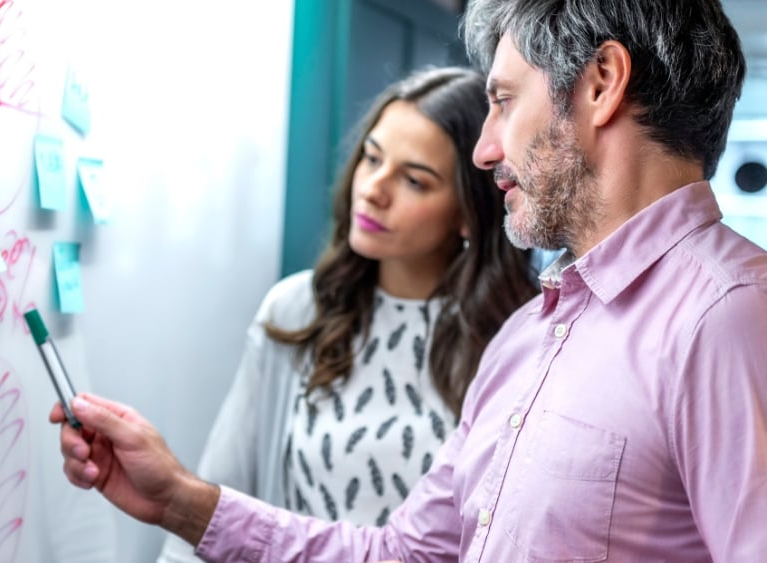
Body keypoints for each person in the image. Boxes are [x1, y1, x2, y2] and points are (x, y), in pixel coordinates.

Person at [52, 0, 767, 560]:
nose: (487, 149)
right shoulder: (529, 337)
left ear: (602, 84)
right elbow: (409, 552)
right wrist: (176, 498)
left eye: (505, 100)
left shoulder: (733, 316)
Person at [157, 66, 539, 562]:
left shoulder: (520, 339)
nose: (373, 189)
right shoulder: (298, 310)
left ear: (468, 210)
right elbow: (219, 494)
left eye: (414, 180)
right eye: (372, 159)